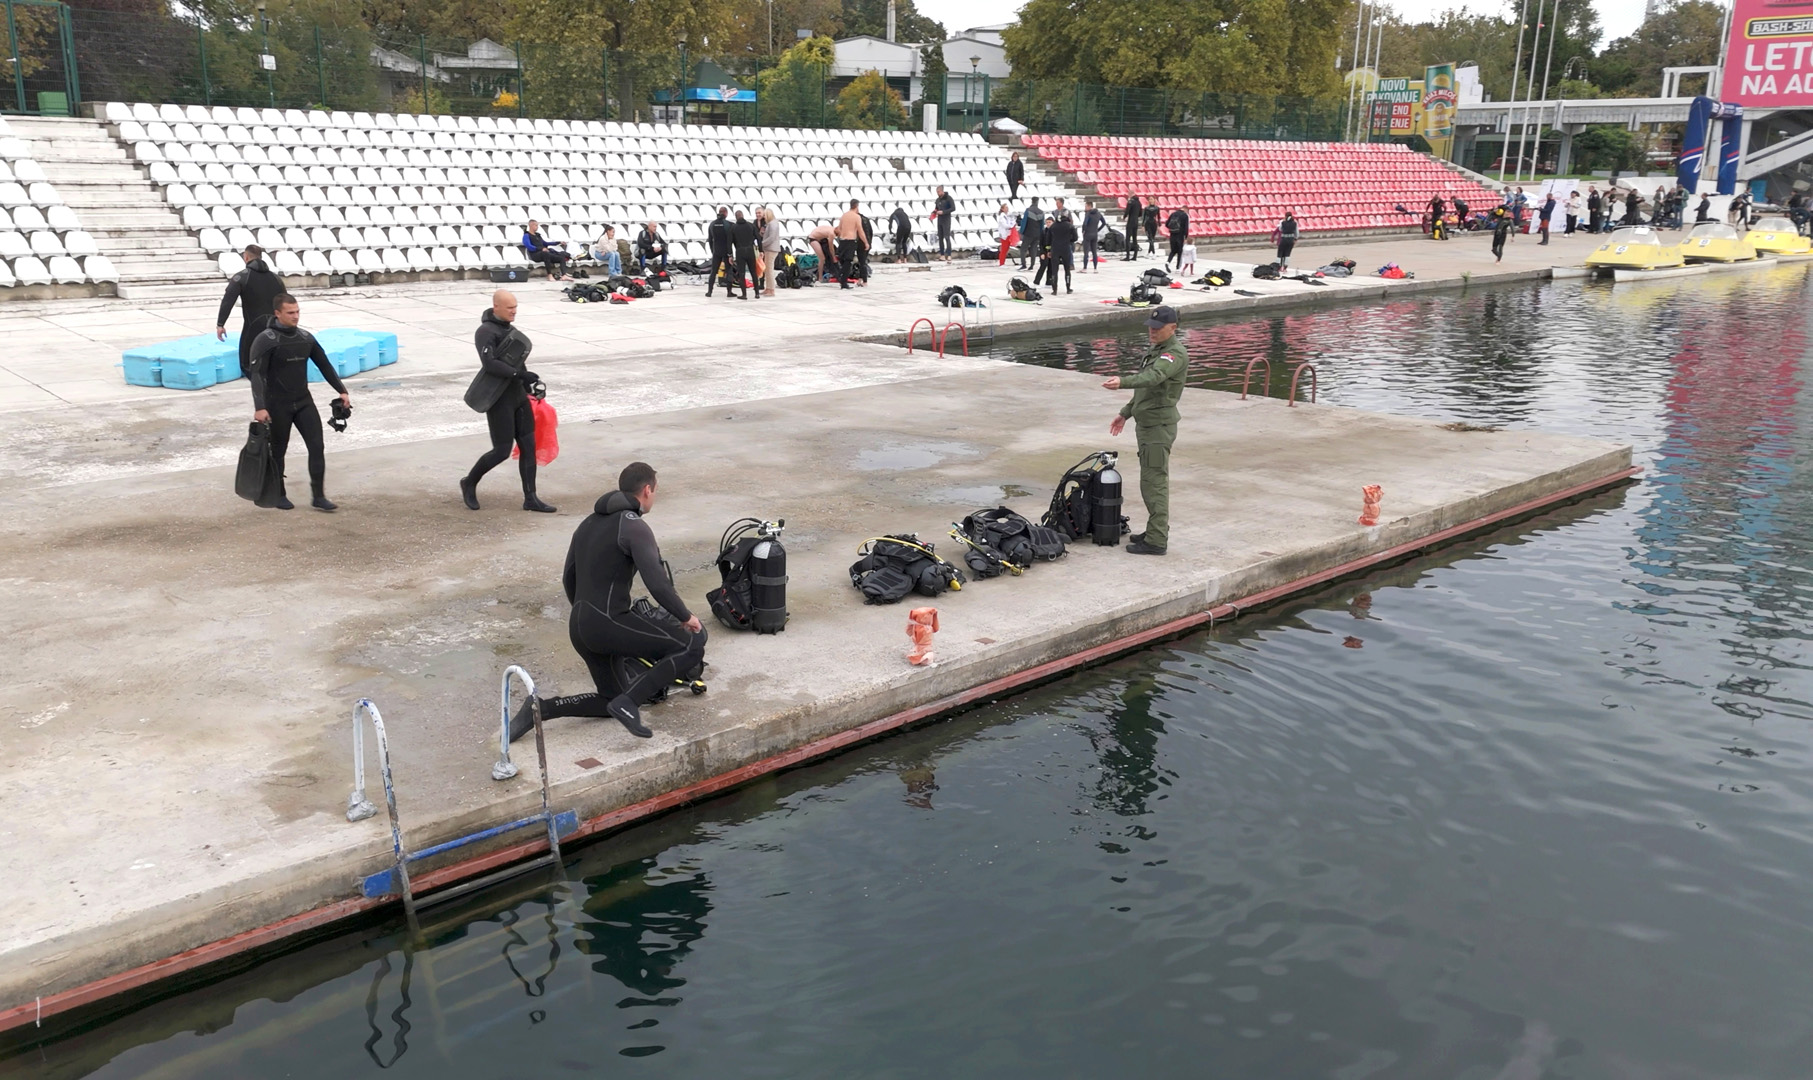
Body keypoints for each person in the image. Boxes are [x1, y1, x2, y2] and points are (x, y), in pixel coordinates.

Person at [510, 462, 707, 741]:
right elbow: (657, 583)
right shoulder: (635, 527)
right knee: (691, 645)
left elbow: (569, 578)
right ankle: (630, 703)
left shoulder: (586, 525)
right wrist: (686, 617)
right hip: (608, 621)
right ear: (647, 490)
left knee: (610, 700)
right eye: (655, 492)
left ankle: (540, 709)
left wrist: (587, 615)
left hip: (580, 625)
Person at [246, 293, 348, 513]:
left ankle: (318, 496)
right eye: (290, 313)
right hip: (276, 405)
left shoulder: (305, 338)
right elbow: (257, 375)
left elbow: (325, 365)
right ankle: (279, 493)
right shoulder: (266, 340)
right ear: (278, 313)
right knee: (278, 451)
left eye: (297, 311)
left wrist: (342, 391)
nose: (295, 316)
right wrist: (260, 407)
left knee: (317, 447)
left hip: (303, 402)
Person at [1100, 305, 1188, 557]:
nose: (1152, 331)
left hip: (1158, 428)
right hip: (1149, 424)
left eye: (1158, 328)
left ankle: (1157, 539)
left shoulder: (1174, 355)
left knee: (1154, 483)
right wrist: (1126, 412)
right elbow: (1146, 391)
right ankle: (1154, 530)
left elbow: (1154, 377)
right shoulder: (1158, 350)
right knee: (1149, 481)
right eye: (1150, 326)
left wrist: (1122, 382)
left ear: (1173, 328)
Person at [460, 289, 556, 514]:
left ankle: (530, 498)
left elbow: (517, 363)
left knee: (528, 447)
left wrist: (527, 385)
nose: (514, 311)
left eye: (515, 307)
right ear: (496, 308)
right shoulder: (485, 332)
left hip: (518, 398)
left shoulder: (511, 331)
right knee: (502, 451)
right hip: (498, 399)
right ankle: (469, 482)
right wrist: (519, 375)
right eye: (510, 307)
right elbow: (490, 364)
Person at [215, 244, 285, 376]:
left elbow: (227, 301)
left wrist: (220, 324)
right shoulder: (276, 278)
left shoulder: (241, 277)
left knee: (246, 363)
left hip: (253, 327)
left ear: (245, 257)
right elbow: (286, 303)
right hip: (275, 327)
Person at [835, 198, 868, 289]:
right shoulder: (857, 217)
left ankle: (842, 279)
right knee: (848, 262)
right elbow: (860, 231)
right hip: (850, 241)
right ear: (857, 206)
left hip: (842, 241)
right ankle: (842, 278)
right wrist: (866, 242)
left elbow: (839, 229)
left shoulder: (844, 216)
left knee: (843, 261)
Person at [730, 208, 760, 300]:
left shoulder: (733, 227)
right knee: (753, 272)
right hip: (750, 250)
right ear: (743, 216)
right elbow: (758, 238)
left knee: (742, 273)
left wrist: (730, 255)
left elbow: (729, 242)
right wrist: (761, 250)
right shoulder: (751, 226)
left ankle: (744, 294)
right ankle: (757, 293)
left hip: (740, 251)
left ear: (736, 217)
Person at [705, 206, 735, 298]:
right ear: (726, 213)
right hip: (726, 251)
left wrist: (713, 250)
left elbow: (710, 239)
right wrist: (730, 254)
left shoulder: (712, 224)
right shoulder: (729, 224)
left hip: (716, 251)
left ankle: (709, 292)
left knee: (713, 271)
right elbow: (731, 240)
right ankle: (729, 292)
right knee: (729, 271)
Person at [1046, 208, 1077, 294]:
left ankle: (1054, 290)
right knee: (1067, 269)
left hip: (1055, 249)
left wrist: (1048, 250)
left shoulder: (1053, 226)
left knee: (1054, 270)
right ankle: (1068, 288)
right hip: (1066, 249)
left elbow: (1048, 239)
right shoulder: (1070, 226)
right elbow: (1075, 238)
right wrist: (1068, 241)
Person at [759, 207, 783, 296]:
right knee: (768, 270)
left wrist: (762, 243)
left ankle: (771, 289)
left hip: (771, 249)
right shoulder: (772, 224)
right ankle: (768, 288)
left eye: (765, 215)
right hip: (770, 249)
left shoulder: (772, 224)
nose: (764, 217)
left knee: (769, 270)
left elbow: (771, 238)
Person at [1018, 196, 1045, 272]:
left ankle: (1024, 265)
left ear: (1032, 201)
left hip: (1028, 233)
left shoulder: (1028, 210)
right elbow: (1042, 225)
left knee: (1023, 249)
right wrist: (1041, 234)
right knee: (1034, 249)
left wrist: (1021, 232)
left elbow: (1024, 222)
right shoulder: (1041, 212)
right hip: (1037, 234)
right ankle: (1032, 266)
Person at [1081, 200, 1106, 271]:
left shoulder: (1088, 214)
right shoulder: (1098, 213)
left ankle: (1085, 268)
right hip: (1095, 234)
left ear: (1089, 206)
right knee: (1094, 252)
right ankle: (1095, 268)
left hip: (1088, 233)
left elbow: (1085, 223)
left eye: (1086, 206)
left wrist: (1083, 230)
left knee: (1086, 252)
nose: (1085, 208)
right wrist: (1098, 229)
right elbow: (1104, 223)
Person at [1164, 204, 1189, 269]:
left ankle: (1168, 262)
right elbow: (1186, 227)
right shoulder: (1185, 216)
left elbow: (1167, 224)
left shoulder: (1173, 214)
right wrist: (1186, 237)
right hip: (1180, 235)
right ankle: (1178, 267)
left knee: (1173, 251)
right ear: (1186, 210)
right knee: (1179, 251)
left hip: (1172, 234)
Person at [933, 186, 955, 258]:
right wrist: (934, 213)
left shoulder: (949, 198)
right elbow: (936, 208)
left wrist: (943, 212)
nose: (938, 194)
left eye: (938, 192)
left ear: (942, 191)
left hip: (946, 220)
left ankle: (949, 254)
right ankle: (942, 254)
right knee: (940, 237)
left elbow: (953, 208)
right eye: (937, 192)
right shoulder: (938, 200)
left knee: (947, 237)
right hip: (940, 220)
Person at [994, 201, 1017, 266]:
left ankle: (1003, 262)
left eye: (1007, 207)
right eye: (1006, 207)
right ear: (1002, 209)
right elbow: (1005, 225)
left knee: (1006, 249)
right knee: (1004, 249)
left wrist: (1013, 223)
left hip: (1008, 234)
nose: (1007, 209)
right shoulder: (1002, 217)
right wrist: (1011, 226)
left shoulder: (1007, 215)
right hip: (1004, 235)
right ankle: (1001, 263)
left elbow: (1011, 222)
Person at [1122, 194, 1143, 261]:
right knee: (1134, 239)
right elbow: (1140, 213)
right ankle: (1135, 256)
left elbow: (1127, 211)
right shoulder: (1139, 202)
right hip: (1136, 221)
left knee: (1128, 239)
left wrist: (1124, 217)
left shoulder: (1130, 202)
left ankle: (1127, 256)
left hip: (1130, 221)